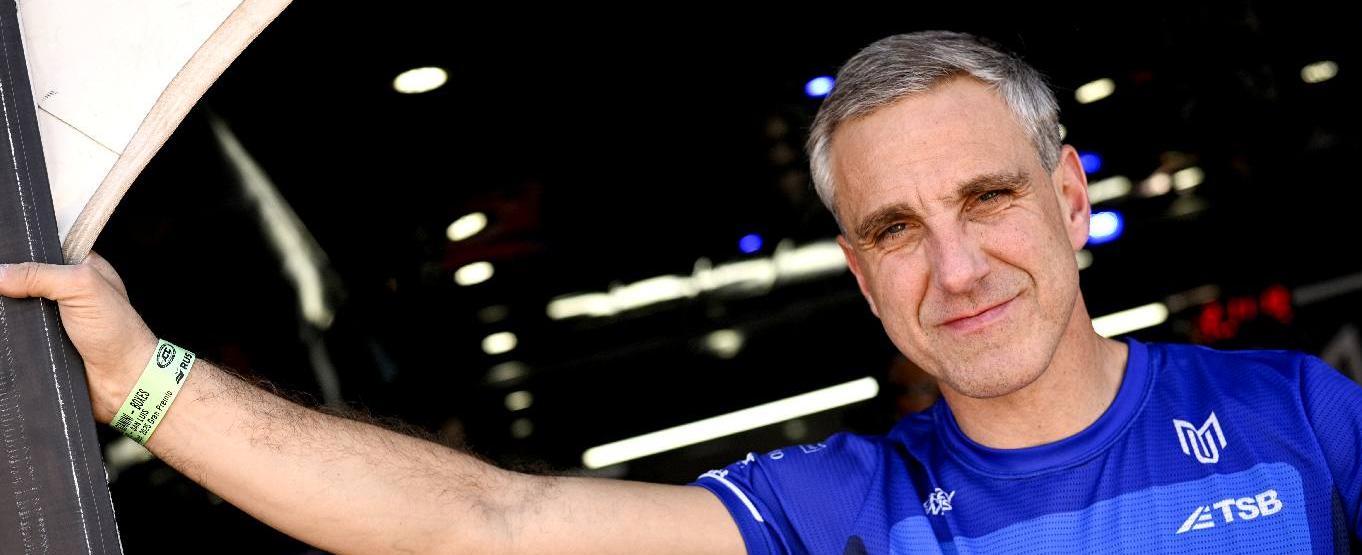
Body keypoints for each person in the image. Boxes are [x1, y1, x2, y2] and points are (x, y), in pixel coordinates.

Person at [1, 30, 1358, 555]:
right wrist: (136, 375)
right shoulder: (837, 511)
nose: (953, 267)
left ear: (1068, 199)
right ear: (858, 272)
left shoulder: (1305, 420)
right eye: (894, 228)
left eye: (988, 199)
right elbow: (487, 523)